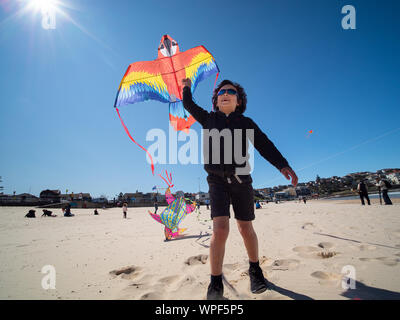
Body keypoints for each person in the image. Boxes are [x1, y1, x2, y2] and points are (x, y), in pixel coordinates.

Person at [182, 78, 298, 300]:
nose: (225, 93)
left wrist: (283, 164)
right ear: (215, 100)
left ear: (239, 100)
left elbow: (265, 145)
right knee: (220, 230)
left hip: (242, 182)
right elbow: (189, 105)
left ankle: (255, 269)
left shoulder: (246, 123)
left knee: (246, 228)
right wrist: (186, 86)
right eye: (221, 91)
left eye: (231, 91)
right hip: (216, 183)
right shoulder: (208, 119)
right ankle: (215, 282)